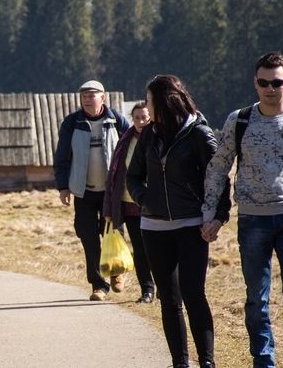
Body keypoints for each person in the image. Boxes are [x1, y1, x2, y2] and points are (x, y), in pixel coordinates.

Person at [201, 52, 283, 368]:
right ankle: (263, 358)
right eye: (263, 82)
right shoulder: (238, 120)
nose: (270, 88)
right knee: (257, 298)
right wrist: (211, 215)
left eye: (276, 82)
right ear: (255, 83)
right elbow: (219, 167)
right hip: (253, 220)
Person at [125, 75, 224, 368]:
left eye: (149, 99)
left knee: (194, 294)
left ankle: (207, 362)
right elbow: (133, 176)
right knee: (169, 299)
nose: (145, 105)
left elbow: (217, 179)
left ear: (163, 101)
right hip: (154, 228)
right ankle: (180, 363)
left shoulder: (199, 134)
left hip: (191, 226)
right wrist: (145, 200)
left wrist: (217, 216)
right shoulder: (148, 134)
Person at [53, 79, 130, 301]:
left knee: (113, 232)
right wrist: (63, 187)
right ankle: (99, 285)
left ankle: (116, 271)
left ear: (103, 97)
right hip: (84, 190)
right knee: (87, 236)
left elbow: (131, 150)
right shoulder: (71, 122)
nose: (87, 99)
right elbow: (62, 156)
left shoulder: (116, 120)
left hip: (111, 191)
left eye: (92, 95)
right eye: (84, 96)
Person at [103, 101, 156, 304]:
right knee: (140, 250)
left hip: (154, 204)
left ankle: (166, 288)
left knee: (158, 250)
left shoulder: (158, 138)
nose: (141, 122)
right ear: (131, 120)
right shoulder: (125, 141)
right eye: (137, 118)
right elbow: (114, 174)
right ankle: (147, 290)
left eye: (144, 117)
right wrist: (109, 207)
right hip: (129, 203)